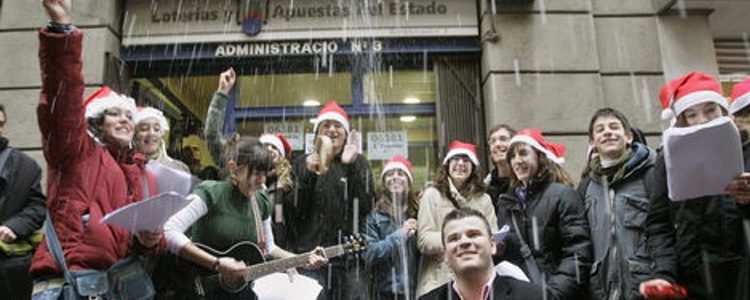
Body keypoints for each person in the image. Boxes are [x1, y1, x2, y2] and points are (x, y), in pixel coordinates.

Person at [31, 0, 165, 297]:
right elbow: (61, 96)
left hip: (116, 286)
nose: (125, 120)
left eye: (129, 116)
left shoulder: (145, 174)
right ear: (96, 121)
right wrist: (62, 30)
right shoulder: (75, 151)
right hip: (72, 283)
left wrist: (150, 239)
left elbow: (153, 241)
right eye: (115, 114)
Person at [164, 137, 326, 299]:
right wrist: (216, 263)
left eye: (265, 173)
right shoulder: (211, 193)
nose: (261, 180)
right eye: (256, 173)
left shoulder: (261, 202)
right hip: (198, 288)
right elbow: (169, 230)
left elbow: (269, 247)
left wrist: (300, 259)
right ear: (233, 168)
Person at [655, 71, 749, 299]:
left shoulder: (746, 148)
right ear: (681, 119)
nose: (703, 120)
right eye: (691, 115)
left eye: (710, 110)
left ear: (723, 111)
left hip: (744, 274)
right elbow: (658, 224)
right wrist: (665, 274)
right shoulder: (666, 159)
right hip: (694, 276)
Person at [578, 108, 677, 299]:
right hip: (601, 292)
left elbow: (667, 231)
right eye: (600, 129)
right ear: (592, 142)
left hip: (646, 289)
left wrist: (664, 276)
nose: (607, 132)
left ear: (629, 136)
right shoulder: (585, 188)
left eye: (614, 127)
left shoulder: (653, 174)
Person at [290, 101, 375, 300]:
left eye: (338, 126)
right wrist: (308, 176)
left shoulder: (358, 162)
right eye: (326, 125)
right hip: (311, 258)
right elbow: (295, 211)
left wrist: (351, 165)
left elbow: (365, 206)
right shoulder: (302, 163)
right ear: (317, 133)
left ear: (346, 134)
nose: (332, 130)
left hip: (348, 258)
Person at [495, 129, 591, 300]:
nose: (517, 161)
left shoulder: (564, 195)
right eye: (513, 156)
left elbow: (577, 252)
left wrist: (553, 293)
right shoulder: (505, 202)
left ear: (540, 157)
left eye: (523, 153)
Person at [416, 141, 498, 297]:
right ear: (447, 165)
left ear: (473, 167)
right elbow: (424, 240)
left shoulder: (484, 199)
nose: (461, 164)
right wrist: (457, 241)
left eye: (466, 160)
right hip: (438, 279)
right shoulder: (431, 195)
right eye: (456, 159)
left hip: (478, 276)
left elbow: (492, 235)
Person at [418, 207, 542, 300]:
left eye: (473, 234)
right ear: (445, 254)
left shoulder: (533, 297)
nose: (464, 242)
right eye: (454, 238)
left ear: (493, 245)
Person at [0, 104, 46, 300]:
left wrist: (14, 226)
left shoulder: (25, 165)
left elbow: (37, 207)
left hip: (7, 269)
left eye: (0, 123)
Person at [363, 156, 420, 300]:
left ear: (409, 181)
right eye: (389, 174)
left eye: (400, 174)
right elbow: (369, 253)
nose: (394, 177)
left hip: (420, 290)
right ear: (384, 183)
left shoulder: (421, 212)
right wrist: (401, 234)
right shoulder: (374, 217)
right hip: (387, 292)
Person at [259, 133, 295, 248]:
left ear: (281, 156)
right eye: (265, 146)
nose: (269, 149)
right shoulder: (251, 181)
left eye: (274, 147)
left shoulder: (290, 181)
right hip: (256, 248)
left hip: (283, 245)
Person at [133, 106, 191, 173]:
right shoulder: (126, 166)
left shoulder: (178, 169)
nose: (151, 133)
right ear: (134, 134)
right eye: (144, 129)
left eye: (156, 129)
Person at [485, 124, 516, 202]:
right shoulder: (485, 188)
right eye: (492, 141)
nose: (497, 144)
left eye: (503, 139)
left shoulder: (526, 182)